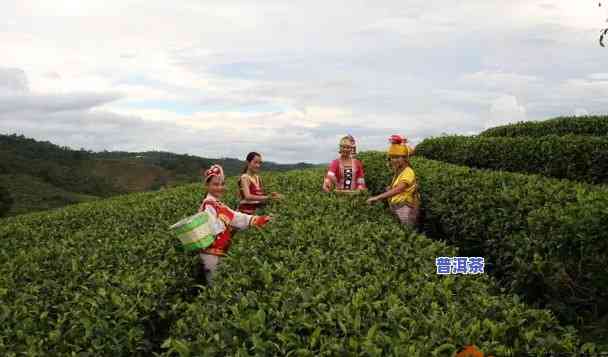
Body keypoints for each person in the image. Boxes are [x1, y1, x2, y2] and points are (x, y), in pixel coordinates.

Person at [197, 164, 272, 285]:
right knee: (215, 287)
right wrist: (229, 226)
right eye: (215, 184)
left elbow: (235, 217)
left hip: (219, 252)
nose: (220, 187)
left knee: (219, 284)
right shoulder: (208, 205)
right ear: (207, 186)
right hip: (211, 254)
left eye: (222, 184)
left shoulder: (216, 203)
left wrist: (258, 219)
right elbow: (216, 228)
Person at [366, 135, 420, 226]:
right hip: (397, 207)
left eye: (398, 157)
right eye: (392, 157)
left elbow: (399, 189)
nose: (394, 160)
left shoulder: (408, 172)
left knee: (406, 232)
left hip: (405, 208)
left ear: (405, 158)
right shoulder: (398, 172)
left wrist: (377, 198)